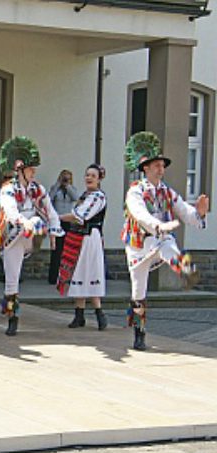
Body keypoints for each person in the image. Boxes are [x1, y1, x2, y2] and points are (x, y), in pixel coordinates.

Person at [122, 131, 209, 350]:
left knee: (168, 244)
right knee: (138, 291)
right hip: (138, 244)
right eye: (157, 166)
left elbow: (184, 211)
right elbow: (139, 214)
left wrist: (199, 213)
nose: (162, 170)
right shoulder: (135, 191)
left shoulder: (167, 191)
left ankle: (186, 269)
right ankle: (139, 333)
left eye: (163, 166)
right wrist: (158, 225)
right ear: (146, 168)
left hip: (159, 238)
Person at [0, 136, 64, 336]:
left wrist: (55, 228)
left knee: (37, 221)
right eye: (30, 169)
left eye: (34, 170)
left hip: (31, 232)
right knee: (12, 278)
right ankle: (12, 317)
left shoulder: (37, 189)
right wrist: (24, 223)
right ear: (20, 170)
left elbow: (49, 209)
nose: (34, 173)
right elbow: (10, 212)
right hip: (13, 234)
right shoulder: (8, 189)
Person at [56, 164, 108, 330]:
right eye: (87, 175)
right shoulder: (84, 195)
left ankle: (100, 313)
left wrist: (57, 217)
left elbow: (80, 216)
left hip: (89, 238)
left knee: (91, 272)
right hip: (77, 237)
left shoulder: (98, 197)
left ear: (99, 179)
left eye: (93, 175)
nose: (89, 178)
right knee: (77, 272)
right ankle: (79, 315)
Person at [47, 169, 78, 284]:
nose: (65, 180)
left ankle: (65, 276)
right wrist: (58, 184)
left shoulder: (72, 189)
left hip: (68, 221)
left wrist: (67, 186)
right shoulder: (55, 188)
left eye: (68, 178)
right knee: (56, 250)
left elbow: (75, 197)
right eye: (64, 177)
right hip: (57, 221)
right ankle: (53, 277)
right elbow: (49, 198)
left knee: (67, 250)